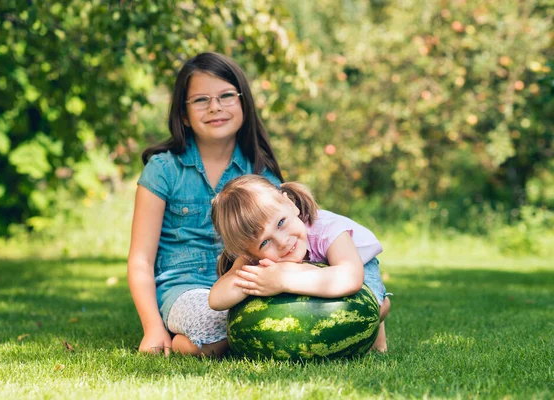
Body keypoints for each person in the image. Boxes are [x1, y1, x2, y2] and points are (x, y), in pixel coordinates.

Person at [127, 52, 283, 357]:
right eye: (200, 100)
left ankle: (200, 344)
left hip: (243, 286)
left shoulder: (260, 172)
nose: (215, 107)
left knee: (270, 311)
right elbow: (140, 261)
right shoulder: (163, 170)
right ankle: (201, 339)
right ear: (184, 114)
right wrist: (152, 328)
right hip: (184, 291)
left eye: (226, 96)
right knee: (212, 320)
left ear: (243, 104)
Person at [209, 175, 391, 352]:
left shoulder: (328, 230)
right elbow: (216, 299)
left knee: (371, 311)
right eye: (265, 242)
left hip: (357, 265)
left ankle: (382, 311)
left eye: (281, 223)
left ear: (290, 205)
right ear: (248, 253)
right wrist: (257, 280)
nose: (282, 241)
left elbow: (350, 278)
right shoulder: (251, 256)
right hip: (314, 275)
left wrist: (283, 280)